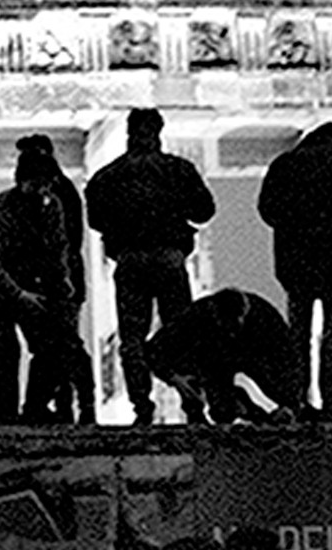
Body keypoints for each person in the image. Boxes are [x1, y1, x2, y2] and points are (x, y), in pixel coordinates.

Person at [82, 108, 215, 425]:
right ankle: (192, 404)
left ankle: (141, 406)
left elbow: (96, 220)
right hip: (170, 258)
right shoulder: (178, 169)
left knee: (132, 338)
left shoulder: (108, 175)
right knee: (181, 334)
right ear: (158, 132)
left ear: (130, 133)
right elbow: (204, 211)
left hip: (130, 261)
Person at [256, 121, 332, 417]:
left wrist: (294, 225)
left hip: (297, 264)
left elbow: (267, 208)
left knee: (298, 335)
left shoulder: (285, 164)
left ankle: (296, 398)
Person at [0, 143, 84, 425]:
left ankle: (36, 406)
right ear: (22, 182)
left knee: (55, 344)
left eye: (48, 185)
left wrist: (62, 283)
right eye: (37, 185)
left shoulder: (51, 205)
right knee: (3, 351)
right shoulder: (0, 209)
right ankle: (2, 413)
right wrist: (18, 294)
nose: (43, 191)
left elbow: (58, 247)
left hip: (34, 284)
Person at [15, 133, 93, 424]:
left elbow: (66, 241)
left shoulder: (56, 193)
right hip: (46, 284)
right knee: (52, 347)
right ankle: (59, 407)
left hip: (59, 285)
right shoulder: (45, 192)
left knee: (59, 346)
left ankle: (62, 407)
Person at [141, 287, 300, 424]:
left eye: (233, 327)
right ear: (214, 315)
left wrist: (289, 404)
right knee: (223, 413)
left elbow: (288, 359)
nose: (230, 332)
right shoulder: (197, 316)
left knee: (276, 386)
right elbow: (153, 351)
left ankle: (263, 408)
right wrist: (176, 379)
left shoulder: (266, 319)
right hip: (216, 362)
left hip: (253, 358)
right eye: (225, 326)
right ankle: (241, 405)